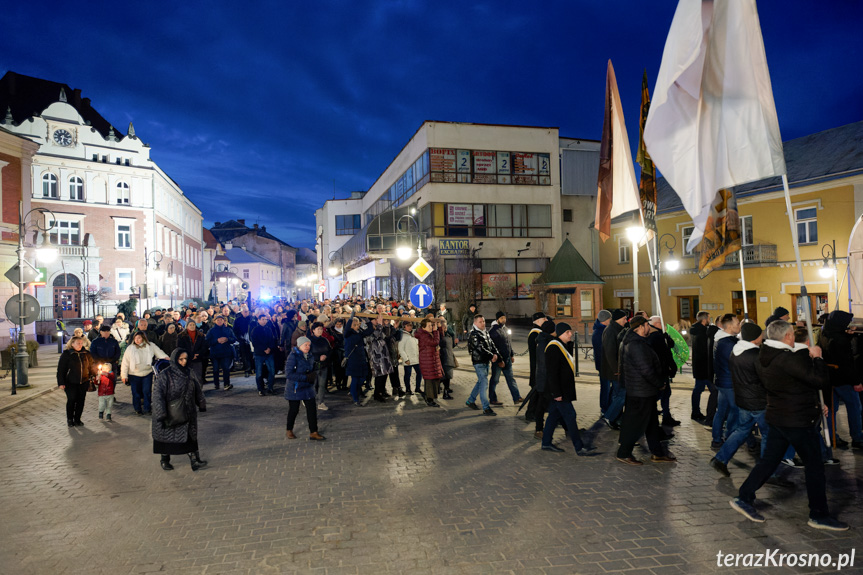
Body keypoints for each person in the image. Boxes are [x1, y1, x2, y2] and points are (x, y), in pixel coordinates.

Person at [731, 320, 849, 531]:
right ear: (787, 337)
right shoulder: (786, 359)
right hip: (797, 421)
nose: (794, 337)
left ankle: (744, 496)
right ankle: (819, 514)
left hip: (779, 417)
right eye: (792, 334)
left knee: (768, 461)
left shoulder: (765, 356)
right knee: (814, 467)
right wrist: (818, 358)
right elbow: (819, 380)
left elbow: (794, 384)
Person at [615, 316, 677, 465]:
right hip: (640, 391)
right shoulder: (635, 344)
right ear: (641, 327)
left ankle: (657, 453)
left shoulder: (636, 342)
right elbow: (646, 370)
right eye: (647, 325)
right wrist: (659, 383)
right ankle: (624, 453)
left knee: (652, 424)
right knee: (634, 424)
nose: (649, 327)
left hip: (642, 389)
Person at [711, 323, 767, 476]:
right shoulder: (756, 355)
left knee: (742, 429)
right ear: (756, 338)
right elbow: (765, 378)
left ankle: (721, 458)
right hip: (758, 401)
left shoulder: (736, 351)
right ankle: (768, 471)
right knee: (768, 433)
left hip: (743, 399)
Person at [541, 323, 597, 456]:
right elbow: (552, 373)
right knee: (570, 416)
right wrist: (557, 393)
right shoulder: (553, 348)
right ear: (560, 333)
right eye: (567, 332)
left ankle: (546, 442)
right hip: (559, 391)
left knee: (553, 416)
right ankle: (579, 447)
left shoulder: (561, 345)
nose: (570, 334)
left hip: (561, 390)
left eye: (570, 332)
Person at [152, 349, 208, 471]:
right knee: (166, 437)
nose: (183, 362)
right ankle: (164, 459)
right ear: (174, 359)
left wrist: (201, 403)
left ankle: (195, 460)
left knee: (190, 436)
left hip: (188, 411)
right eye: (180, 359)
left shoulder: (189, 372)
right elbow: (157, 395)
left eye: (185, 359)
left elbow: (197, 388)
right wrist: (161, 413)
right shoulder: (165, 375)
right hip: (171, 412)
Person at [818, 310, 863, 449]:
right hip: (843, 379)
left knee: (831, 409)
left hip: (828, 378)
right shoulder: (841, 339)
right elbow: (847, 363)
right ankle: (857, 438)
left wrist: (847, 335)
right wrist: (856, 382)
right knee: (855, 407)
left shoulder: (823, 333)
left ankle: (832, 437)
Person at [284, 336, 325, 441]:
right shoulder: (293, 356)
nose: (307, 347)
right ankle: (289, 429)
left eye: (309, 345)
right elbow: (289, 374)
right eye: (305, 345)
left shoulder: (310, 356)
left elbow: (311, 368)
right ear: (299, 345)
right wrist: (305, 377)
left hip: (308, 387)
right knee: (294, 410)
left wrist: (316, 368)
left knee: (312, 410)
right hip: (295, 388)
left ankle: (314, 432)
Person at [122, 332, 169, 415]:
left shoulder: (150, 346)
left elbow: (160, 353)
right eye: (135, 338)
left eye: (139, 338)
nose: (137, 340)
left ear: (143, 338)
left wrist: (167, 358)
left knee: (146, 391)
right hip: (134, 374)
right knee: (136, 393)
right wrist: (124, 375)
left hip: (147, 373)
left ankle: (147, 408)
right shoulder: (130, 348)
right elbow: (125, 363)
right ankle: (137, 409)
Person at [712, 313, 741, 449]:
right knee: (734, 411)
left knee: (721, 411)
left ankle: (717, 439)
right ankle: (729, 438)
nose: (739, 325)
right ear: (729, 326)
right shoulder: (728, 343)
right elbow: (736, 363)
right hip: (729, 382)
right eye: (737, 323)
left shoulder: (720, 340)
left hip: (722, 381)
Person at [646, 315, 680, 427]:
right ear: (656, 324)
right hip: (661, 370)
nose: (663, 325)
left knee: (666, 394)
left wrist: (668, 339)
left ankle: (666, 416)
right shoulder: (655, 336)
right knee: (661, 394)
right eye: (661, 322)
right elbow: (665, 354)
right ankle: (654, 418)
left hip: (662, 370)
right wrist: (671, 366)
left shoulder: (659, 335)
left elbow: (670, 346)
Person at [57, 335, 98, 427]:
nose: (80, 345)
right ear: (72, 344)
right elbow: (61, 370)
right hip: (70, 382)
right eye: (78, 343)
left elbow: (91, 366)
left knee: (81, 401)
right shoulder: (67, 354)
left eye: (81, 343)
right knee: (71, 400)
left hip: (83, 381)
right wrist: (61, 383)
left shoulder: (86, 353)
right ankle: (70, 419)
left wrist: (96, 375)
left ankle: (77, 419)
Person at [466, 314, 500, 416]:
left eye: (484, 321)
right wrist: (491, 356)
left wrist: (496, 354)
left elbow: (491, 344)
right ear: (475, 323)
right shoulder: (474, 334)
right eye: (480, 322)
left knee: (481, 382)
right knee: (484, 384)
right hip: (479, 362)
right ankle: (486, 408)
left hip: (485, 361)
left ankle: (470, 400)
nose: (483, 323)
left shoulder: (485, 332)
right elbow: (479, 348)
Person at [600, 310, 628, 429]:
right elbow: (610, 352)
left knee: (617, 394)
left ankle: (616, 418)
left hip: (616, 369)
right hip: (615, 370)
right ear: (619, 319)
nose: (626, 321)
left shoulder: (615, 329)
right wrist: (617, 369)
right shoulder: (611, 330)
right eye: (624, 319)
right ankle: (610, 416)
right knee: (621, 394)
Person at [489, 311, 523, 406]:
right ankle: (492, 399)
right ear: (497, 319)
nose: (504, 319)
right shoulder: (493, 331)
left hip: (507, 359)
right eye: (502, 318)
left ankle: (517, 397)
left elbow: (508, 343)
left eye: (504, 318)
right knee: (495, 380)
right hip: (499, 361)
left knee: (511, 379)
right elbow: (493, 348)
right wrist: (499, 360)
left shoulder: (505, 329)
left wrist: (511, 355)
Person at [532, 319, 557, 438]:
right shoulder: (544, 343)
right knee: (542, 405)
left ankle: (567, 427)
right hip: (545, 380)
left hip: (545, 379)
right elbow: (544, 364)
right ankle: (539, 429)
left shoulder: (546, 340)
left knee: (556, 404)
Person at [690, 311, 715, 422]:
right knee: (714, 391)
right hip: (705, 366)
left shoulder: (695, 330)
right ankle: (709, 415)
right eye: (709, 318)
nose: (710, 320)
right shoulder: (703, 332)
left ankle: (695, 411)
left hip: (698, 366)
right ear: (704, 319)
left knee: (698, 389)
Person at [343, 310, 373, 405]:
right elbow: (347, 328)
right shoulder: (348, 333)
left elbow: (370, 330)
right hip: (353, 359)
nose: (357, 326)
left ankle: (353, 391)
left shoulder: (359, 332)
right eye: (355, 325)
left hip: (361, 358)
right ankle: (355, 398)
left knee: (363, 377)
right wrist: (351, 317)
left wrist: (367, 320)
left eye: (358, 324)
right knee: (355, 379)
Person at [524, 312, 549, 422]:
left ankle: (535, 412)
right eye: (544, 319)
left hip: (538, 366)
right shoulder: (535, 333)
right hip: (537, 367)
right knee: (536, 391)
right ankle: (530, 413)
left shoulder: (537, 332)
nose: (546, 321)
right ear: (537, 321)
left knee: (538, 391)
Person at [416, 317, 444, 407]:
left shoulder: (429, 333)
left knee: (434, 379)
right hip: (427, 361)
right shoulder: (423, 335)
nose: (431, 327)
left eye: (431, 325)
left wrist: (439, 328)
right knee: (429, 380)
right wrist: (436, 331)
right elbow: (435, 342)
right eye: (429, 326)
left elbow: (441, 338)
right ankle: (429, 399)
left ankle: (431, 398)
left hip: (432, 360)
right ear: (423, 327)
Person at [205, 314, 237, 391]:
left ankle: (226, 384)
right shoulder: (211, 331)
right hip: (215, 353)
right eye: (218, 320)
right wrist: (217, 340)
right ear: (215, 321)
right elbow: (207, 341)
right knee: (215, 369)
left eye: (221, 320)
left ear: (223, 321)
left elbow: (234, 339)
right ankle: (216, 384)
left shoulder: (228, 329)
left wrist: (227, 339)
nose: (219, 321)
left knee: (226, 368)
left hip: (226, 353)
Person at [250, 314, 278, 396]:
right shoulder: (255, 330)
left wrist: (269, 348)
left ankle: (270, 387)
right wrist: (264, 348)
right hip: (259, 353)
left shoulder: (268, 329)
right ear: (258, 320)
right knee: (259, 372)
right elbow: (255, 342)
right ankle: (260, 389)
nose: (264, 321)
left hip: (269, 353)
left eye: (265, 319)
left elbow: (272, 340)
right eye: (262, 319)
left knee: (272, 371)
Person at [308, 321, 333, 409]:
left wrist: (326, 356)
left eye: (321, 329)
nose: (320, 331)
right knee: (313, 385)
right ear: (313, 330)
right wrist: (318, 357)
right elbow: (308, 353)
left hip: (324, 366)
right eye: (318, 329)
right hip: (313, 366)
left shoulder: (325, 340)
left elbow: (330, 350)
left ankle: (320, 402)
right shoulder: (309, 341)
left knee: (322, 385)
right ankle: (310, 401)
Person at [592, 310, 612, 414]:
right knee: (605, 387)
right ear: (606, 320)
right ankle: (605, 408)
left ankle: (606, 407)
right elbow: (601, 352)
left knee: (607, 387)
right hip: (604, 365)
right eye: (609, 319)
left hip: (605, 365)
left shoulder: (602, 330)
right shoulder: (600, 333)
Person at [177, 321, 208, 387]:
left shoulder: (201, 335)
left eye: (193, 324)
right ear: (187, 326)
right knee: (187, 376)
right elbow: (180, 347)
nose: (192, 326)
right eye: (190, 325)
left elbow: (204, 347)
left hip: (198, 358)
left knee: (198, 376)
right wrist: (190, 355)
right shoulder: (181, 336)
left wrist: (198, 354)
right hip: (186, 358)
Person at [398, 321, 422, 395]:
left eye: (411, 325)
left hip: (416, 359)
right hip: (408, 359)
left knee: (420, 373)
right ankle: (408, 389)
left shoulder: (413, 335)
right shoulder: (403, 336)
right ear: (404, 327)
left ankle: (417, 388)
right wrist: (406, 359)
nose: (410, 327)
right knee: (408, 374)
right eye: (408, 325)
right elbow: (401, 349)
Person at [438, 318, 457, 400]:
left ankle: (445, 391)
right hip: (443, 358)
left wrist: (455, 343)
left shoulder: (448, 335)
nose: (445, 329)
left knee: (448, 376)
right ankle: (442, 391)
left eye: (445, 327)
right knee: (444, 377)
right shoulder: (438, 336)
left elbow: (451, 346)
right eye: (443, 327)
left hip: (449, 357)